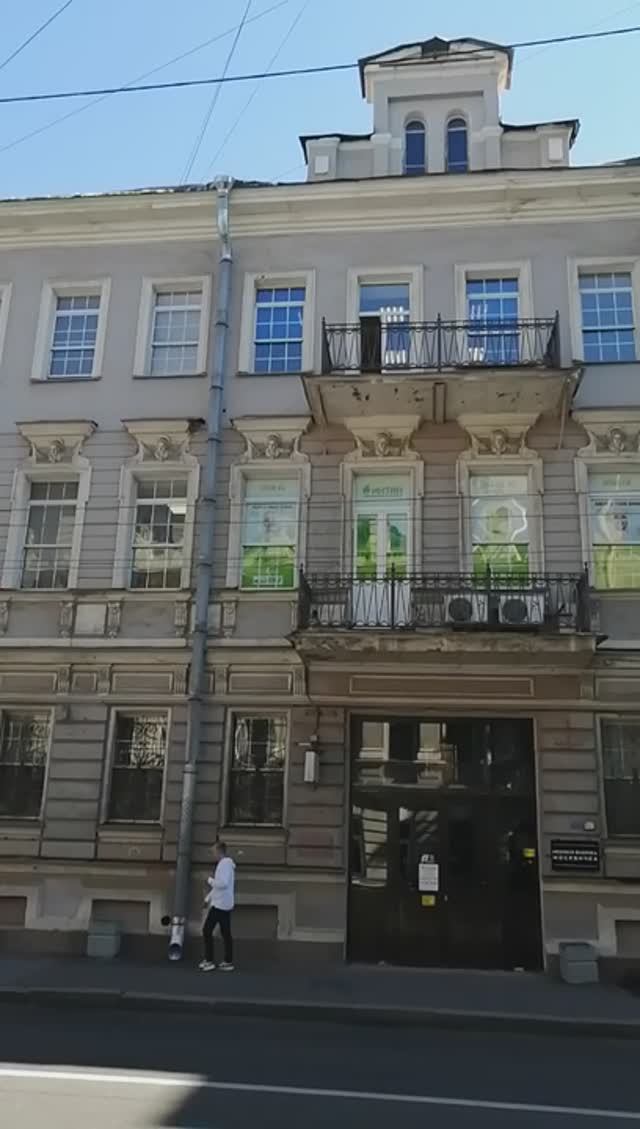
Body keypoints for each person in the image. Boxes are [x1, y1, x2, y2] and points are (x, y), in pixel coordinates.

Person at [200, 841, 235, 972]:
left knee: (207, 930)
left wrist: (209, 880)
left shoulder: (224, 864)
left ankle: (209, 961)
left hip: (220, 904)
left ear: (219, 851)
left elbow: (223, 884)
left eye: (213, 851)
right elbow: (219, 886)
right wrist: (207, 899)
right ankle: (228, 962)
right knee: (226, 933)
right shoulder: (225, 864)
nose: (212, 854)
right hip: (224, 903)